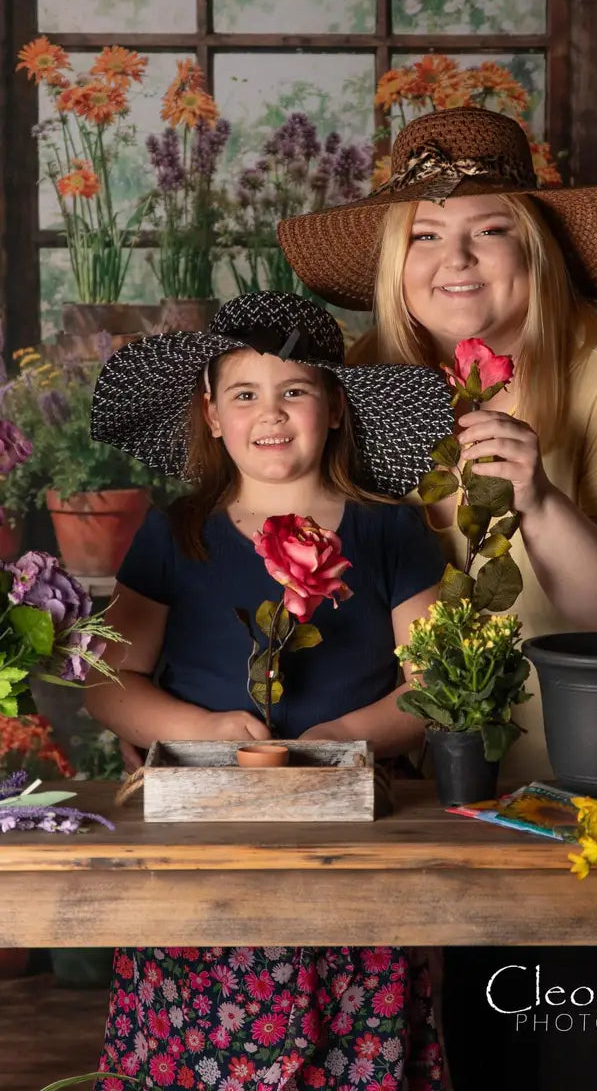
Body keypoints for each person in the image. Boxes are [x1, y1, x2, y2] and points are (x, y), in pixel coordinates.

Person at [278, 106, 597, 1089]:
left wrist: (538, 494)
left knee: (583, 1019)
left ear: (531, 249)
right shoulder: (365, 382)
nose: (453, 261)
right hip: (462, 738)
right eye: (424, 235)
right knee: (472, 1017)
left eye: (487, 229)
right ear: (390, 261)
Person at [85, 291, 453, 1091]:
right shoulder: (175, 529)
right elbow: (108, 684)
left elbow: (434, 687)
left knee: (350, 1035)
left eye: (295, 391)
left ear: (334, 409)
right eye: (244, 394)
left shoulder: (391, 527)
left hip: (353, 828)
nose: (271, 413)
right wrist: (211, 730)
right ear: (212, 415)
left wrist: (334, 742)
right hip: (201, 835)